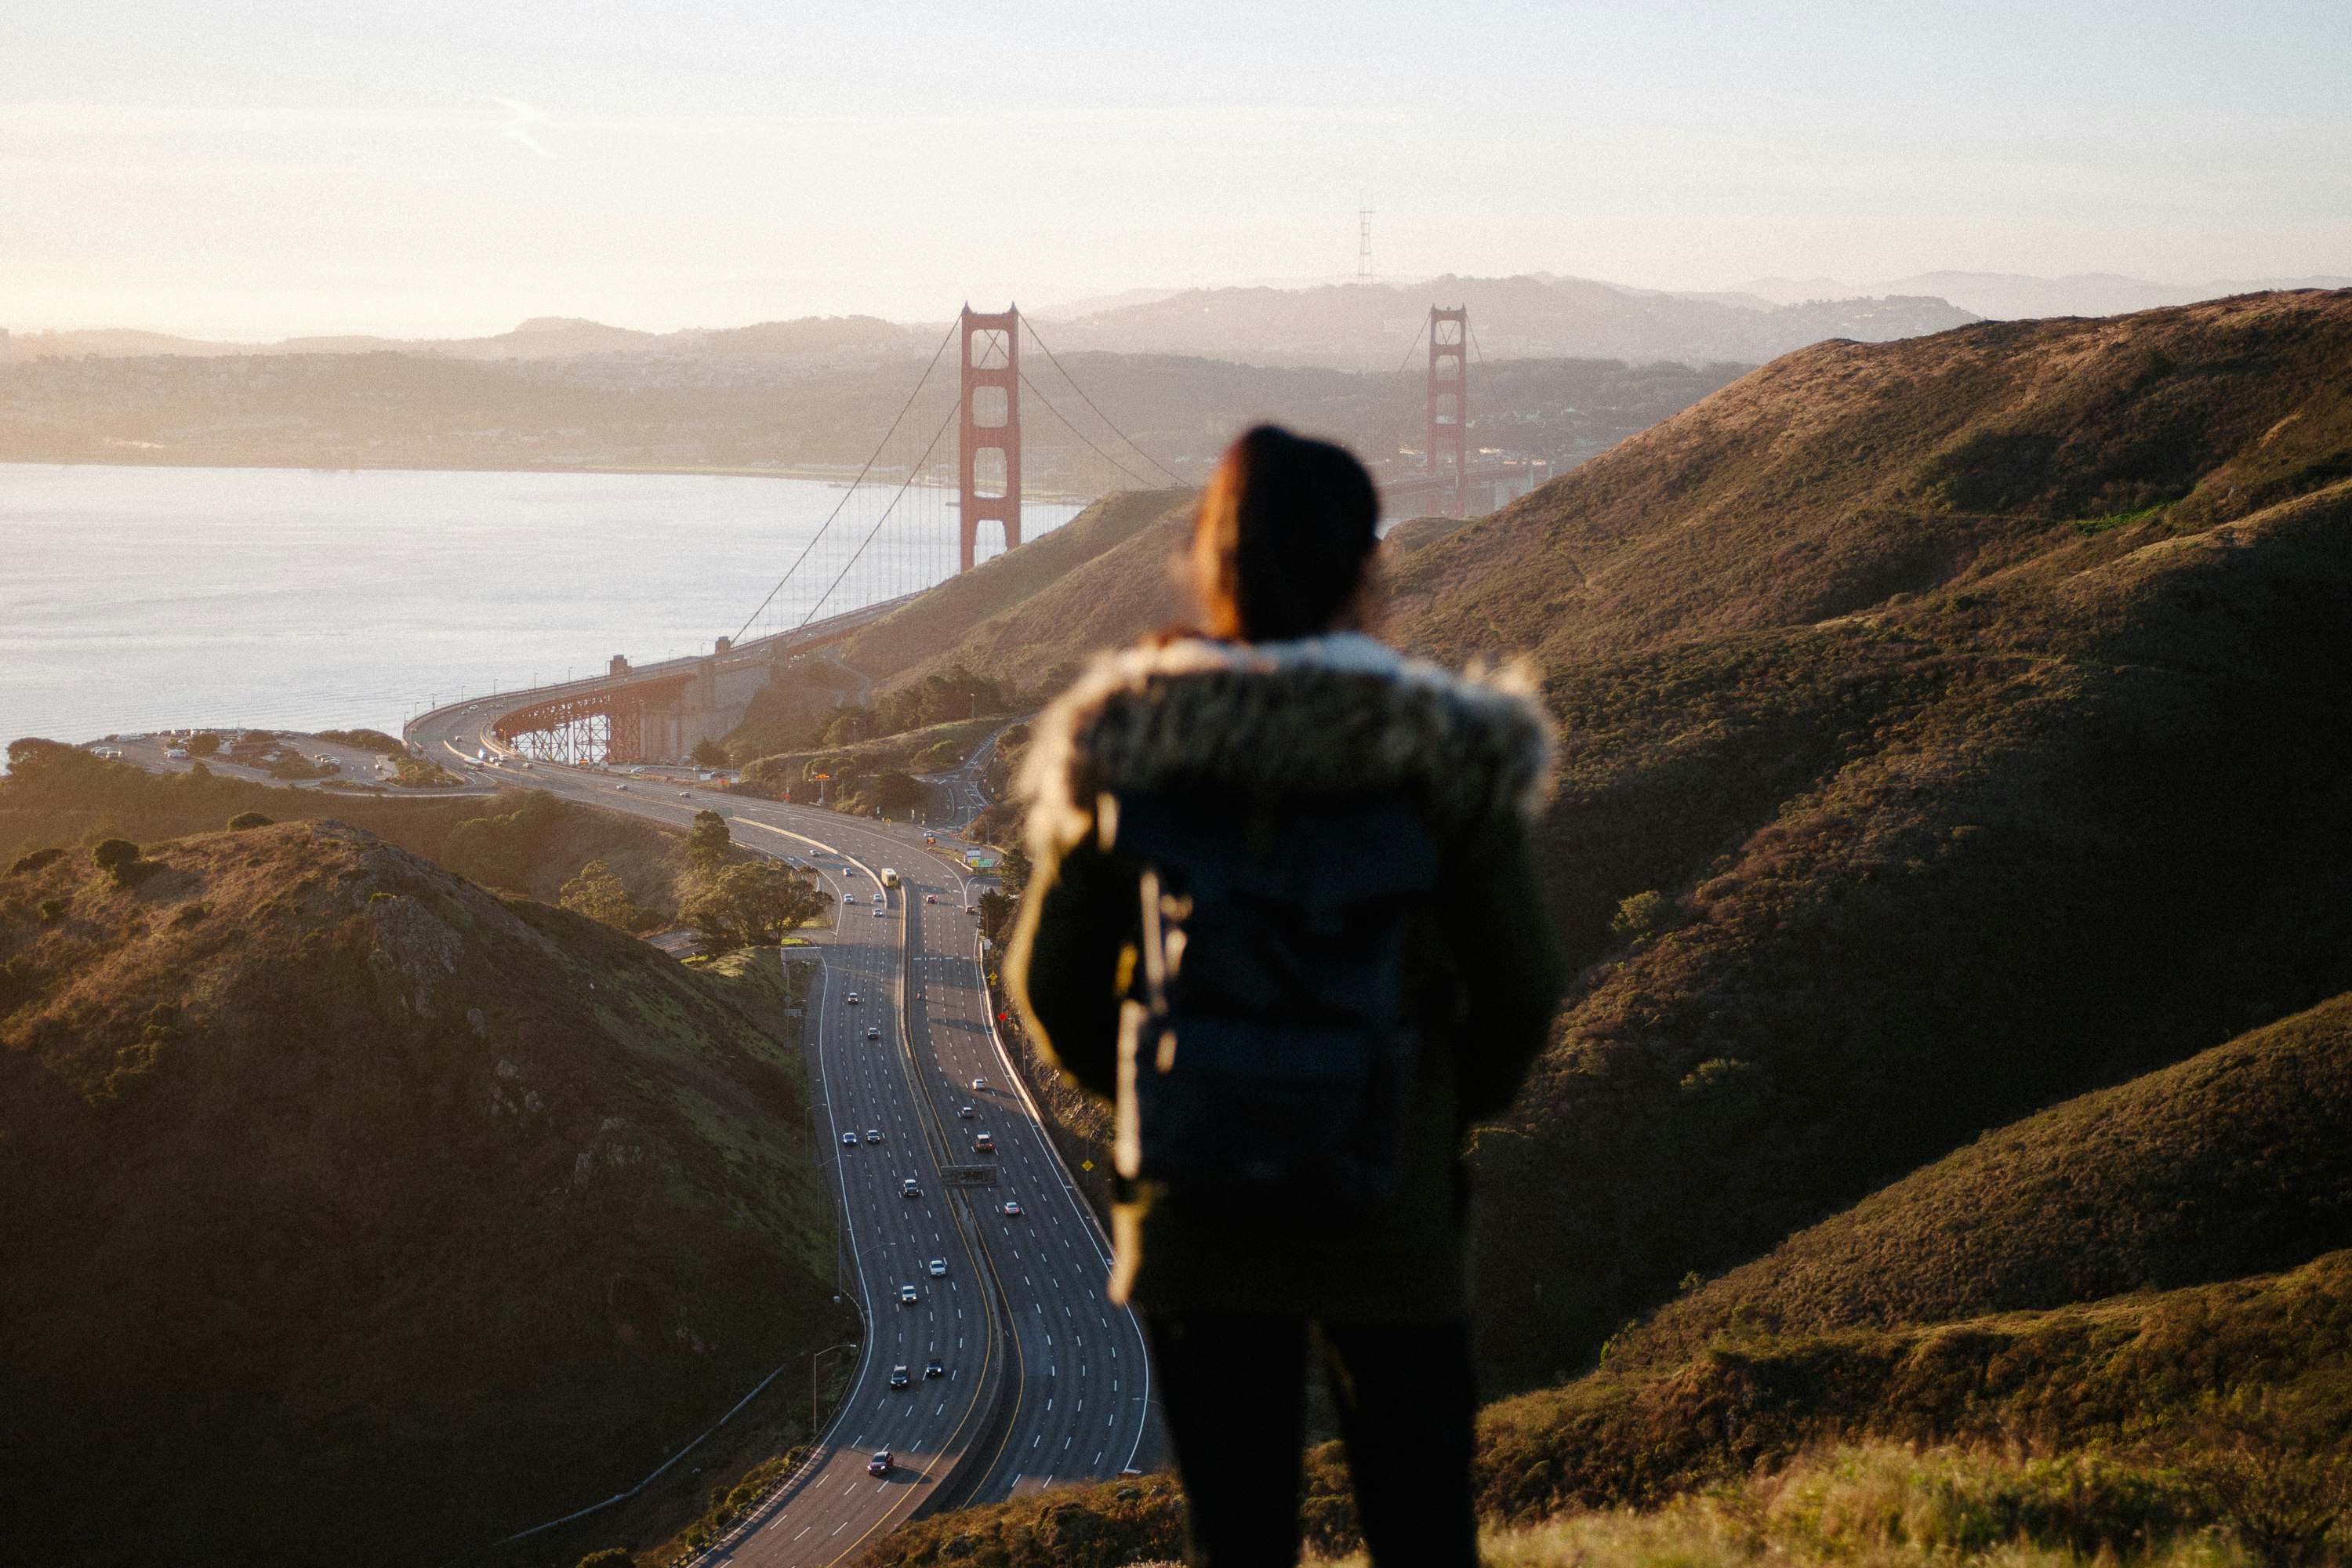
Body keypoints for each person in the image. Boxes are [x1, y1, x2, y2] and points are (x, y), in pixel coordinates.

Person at [1007, 424, 1567, 1566]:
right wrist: (1436, 1112)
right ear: (1369, 567)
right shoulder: (1447, 754)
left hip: (1200, 1213)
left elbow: (1051, 982)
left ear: (1217, 562)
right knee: (1423, 1528)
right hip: (1390, 1206)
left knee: (1239, 1535)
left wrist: (1153, 1111)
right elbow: (1521, 989)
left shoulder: (1138, 746)